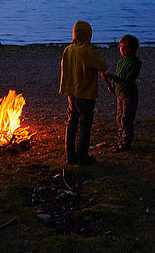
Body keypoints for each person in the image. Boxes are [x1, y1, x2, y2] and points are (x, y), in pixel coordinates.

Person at [59, 20, 108, 166]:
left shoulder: (68, 49)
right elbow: (102, 65)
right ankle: (82, 157)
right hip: (86, 94)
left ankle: (70, 156)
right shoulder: (87, 51)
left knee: (71, 123)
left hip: (71, 93)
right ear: (88, 35)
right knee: (85, 125)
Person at [101, 34, 142, 153]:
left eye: (125, 47)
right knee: (119, 117)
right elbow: (119, 77)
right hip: (120, 94)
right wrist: (112, 86)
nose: (122, 49)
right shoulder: (121, 62)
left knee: (126, 119)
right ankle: (121, 139)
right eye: (120, 47)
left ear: (132, 49)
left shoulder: (134, 63)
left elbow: (128, 80)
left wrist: (113, 78)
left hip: (129, 95)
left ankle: (126, 142)